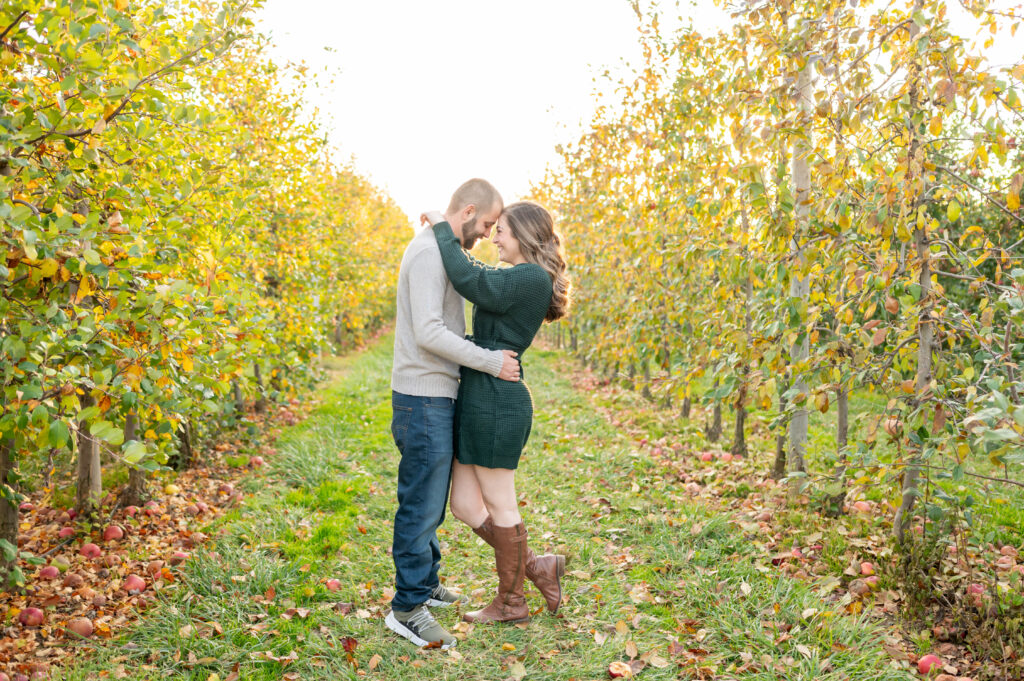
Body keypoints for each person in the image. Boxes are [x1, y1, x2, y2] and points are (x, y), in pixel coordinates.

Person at [385, 179, 522, 650]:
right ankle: (407, 607)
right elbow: (427, 331)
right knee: (421, 502)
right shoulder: (427, 254)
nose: (486, 235)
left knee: (433, 498)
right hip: (421, 396)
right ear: (467, 211)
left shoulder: (442, 250)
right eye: (485, 224)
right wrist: (491, 361)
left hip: (436, 394)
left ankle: (425, 585)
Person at [422, 200, 571, 625]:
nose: (494, 237)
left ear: (523, 235)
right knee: (467, 506)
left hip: (497, 401)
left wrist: (442, 228)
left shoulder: (530, 278)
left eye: (501, 230)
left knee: (502, 504)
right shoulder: (516, 276)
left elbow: (472, 279)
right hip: (480, 391)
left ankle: (511, 603)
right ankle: (538, 566)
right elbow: (481, 276)